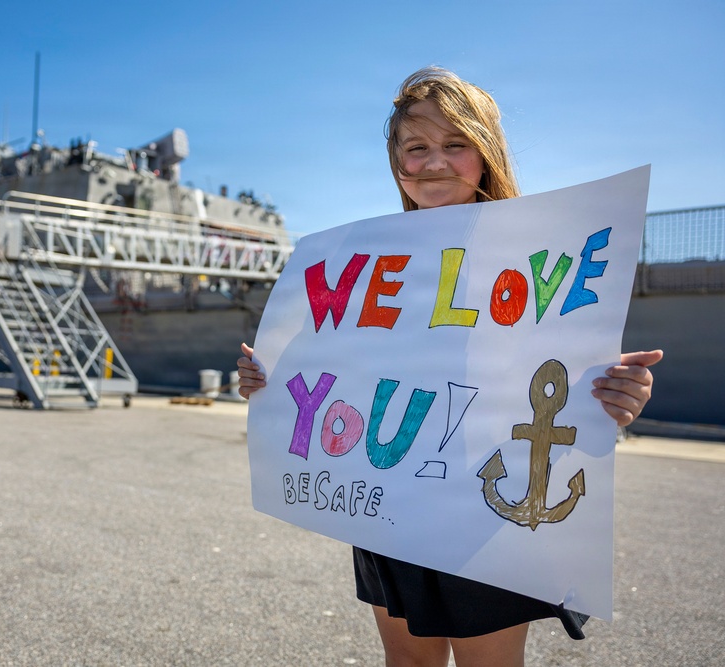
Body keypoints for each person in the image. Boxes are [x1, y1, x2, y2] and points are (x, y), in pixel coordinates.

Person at [236, 67, 663, 667]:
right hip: (390, 496)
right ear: (397, 162)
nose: (434, 162)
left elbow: (561, 366)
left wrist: (618, 390)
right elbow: (326, 365)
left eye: (456, 143)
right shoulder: (366, 264)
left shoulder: (538, 253)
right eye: (416, 147)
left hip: (483, 511)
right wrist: (268, 382)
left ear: (486, 155)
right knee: (408, 661)